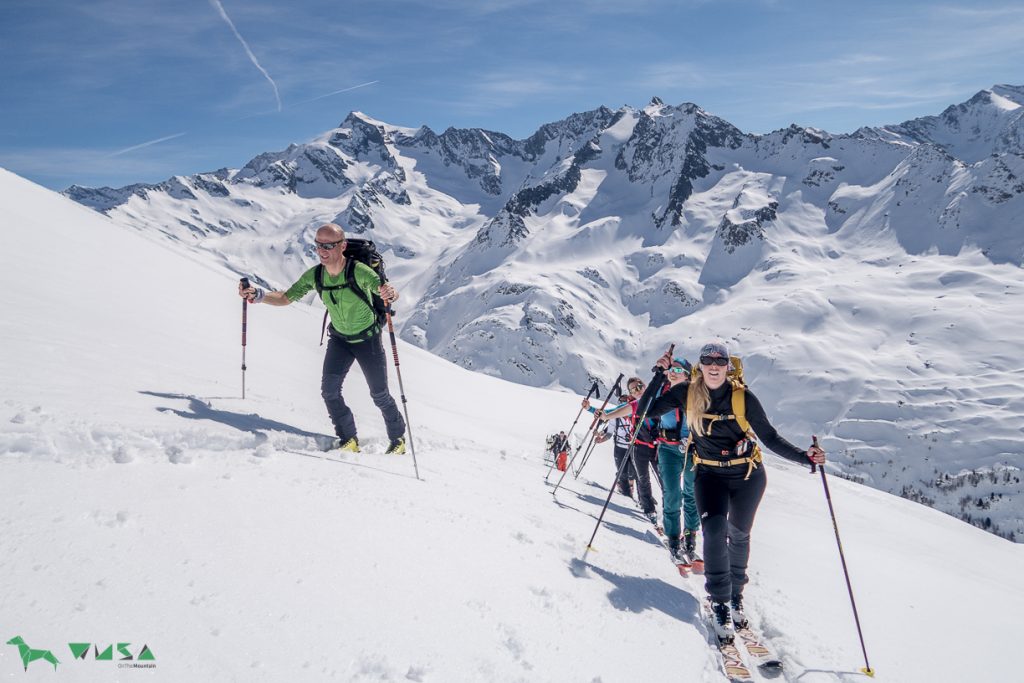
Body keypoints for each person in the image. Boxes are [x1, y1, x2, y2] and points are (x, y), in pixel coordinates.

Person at [643, 341, 825, 641]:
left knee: (739, 535)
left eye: (720, 360)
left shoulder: (742, 398)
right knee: (714, 532)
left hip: (747, 476)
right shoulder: (686, 393)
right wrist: (659, 375)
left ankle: (736, 594)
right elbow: (645, 413)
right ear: (700, 366)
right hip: (709, 475)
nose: (714, 366)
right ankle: (719, 601)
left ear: (728, 366)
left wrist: (805, 457)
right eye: (707, 360)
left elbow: (770, 437)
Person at [238, 223, 407, 454]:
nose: (322, 250)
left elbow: (384, 289)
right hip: (339, 340)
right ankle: (348, 439)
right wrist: (258, 296)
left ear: (342, 246)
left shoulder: (359, 271)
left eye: (328, 245)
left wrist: (391, 293)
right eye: (318, 245)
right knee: (329, 391)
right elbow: (287, 297)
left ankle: (398, 439)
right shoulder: (316, 275)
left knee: (379, 395)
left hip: (368, 340)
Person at [586, 378, 660, 527]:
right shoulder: (632, 406)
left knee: (661, 479)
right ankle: (647, 507)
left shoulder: (658, 401)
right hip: (637, 446)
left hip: (658, 446)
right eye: (633, 389)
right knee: (639, 477)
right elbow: (608, 414)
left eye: (640, 386)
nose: (637, 390)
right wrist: (591, 410)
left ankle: (662, 509)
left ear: (645, 386)